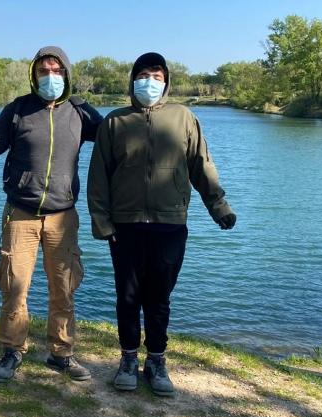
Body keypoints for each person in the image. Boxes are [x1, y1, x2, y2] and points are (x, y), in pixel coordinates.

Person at [87, 52, 236, 396]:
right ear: (132, 80)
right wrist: (102, 222)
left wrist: (219, 206)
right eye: (142, 75)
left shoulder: (184, 118)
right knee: (127, 296)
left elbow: (202, 166)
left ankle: (156, 360)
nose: (149, 81)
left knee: (159, 297)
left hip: (170, 225)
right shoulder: (115, 122)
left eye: (156, 75)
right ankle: (127, 359)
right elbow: (98, 178)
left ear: (166, 81)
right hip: (125, 226)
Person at [0, 46, 103, 383]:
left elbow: (115, 137)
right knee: (14, 285)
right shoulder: (18, 110)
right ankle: (12, 351)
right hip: (20, 214)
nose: (50, 76)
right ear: (34, 74)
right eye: (43, 70)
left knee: (63, 288)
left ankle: (62, 353)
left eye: (56, 70)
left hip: (63, 218)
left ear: (66, 74)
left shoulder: (79, 112)